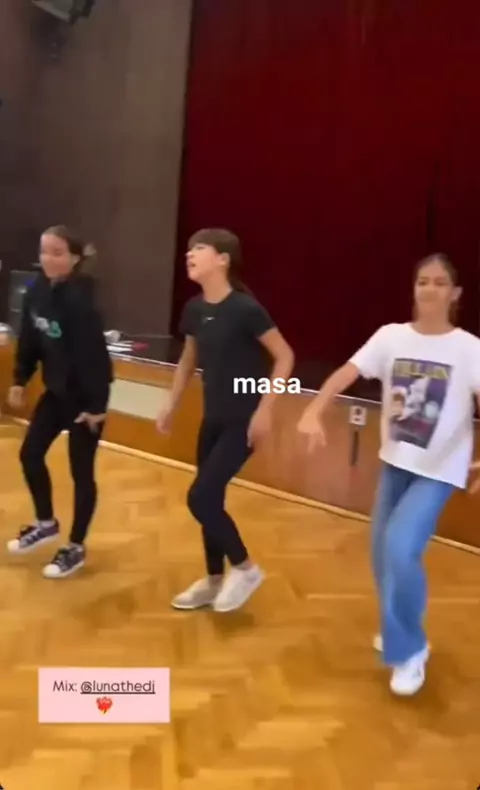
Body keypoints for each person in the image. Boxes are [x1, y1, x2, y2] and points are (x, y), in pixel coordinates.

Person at [297, 253, 480, 696]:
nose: (429, 289)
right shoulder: (391, 337)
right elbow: (346, 372)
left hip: (439, 471)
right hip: (395, 463)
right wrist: (314, 409)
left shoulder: (469, 349)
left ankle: (410, 648)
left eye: (440, 282)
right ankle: (399, 628)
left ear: (455, 293)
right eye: (423, 281)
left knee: (400, 546)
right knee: (382, 555)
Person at [156, 228, 294, 612]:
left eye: (199, 248)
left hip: (243, 422)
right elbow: (188, 360)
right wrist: (171, 403)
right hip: (212, 419)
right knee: (210, 499)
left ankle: (245, 568)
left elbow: (285, 357)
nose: (189, 254)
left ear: (222, 259)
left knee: (200, 496)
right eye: (188, 249)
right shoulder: (194, 309)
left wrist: (265, 410)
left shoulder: (246, 309)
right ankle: (214, 579)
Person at [7, 225, 113, 578]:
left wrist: (97, 407)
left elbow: (97, 360)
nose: (48, 259)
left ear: (74, 258)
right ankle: (45, 523)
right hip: (56, 394)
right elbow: (29, 339)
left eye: (57, 253)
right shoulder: (37, 291)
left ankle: (75, 547)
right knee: (29, 454)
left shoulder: (82, 302)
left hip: (85, 401)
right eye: (44, 251)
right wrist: (20, 379)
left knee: (81, 473)